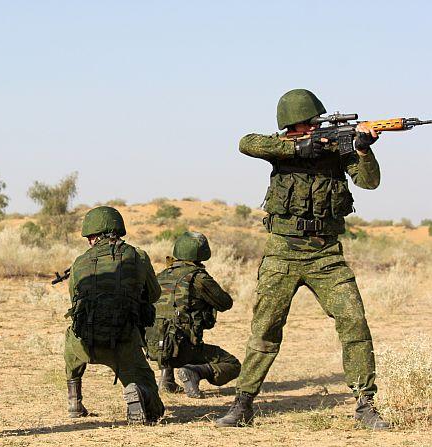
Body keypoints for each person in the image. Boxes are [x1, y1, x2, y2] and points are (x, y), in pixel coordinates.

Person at [215, 89, 389, 430]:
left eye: (318, 123)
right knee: (265, 330)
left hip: (327, 255)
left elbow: (370, 182)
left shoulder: (340, 150)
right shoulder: (280, 148)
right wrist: (297, 148)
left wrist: (363, 148)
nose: (316, 128)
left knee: (354, 323)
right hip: (282, 253)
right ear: (294, 126)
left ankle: (365, 404)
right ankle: (243, 404)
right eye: (310, 123)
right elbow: (246, 142)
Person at [63, 206, 165, 424]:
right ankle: (139, 392)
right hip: (124, 341)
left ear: (91, 236)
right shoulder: (138, 256)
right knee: (154, 405)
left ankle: (74, 401)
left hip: (85, 343)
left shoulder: (79, 262)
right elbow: (154, 294)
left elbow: (74, 299)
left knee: (70, 337)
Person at [145, 231, 241, 398]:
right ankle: (195, 372)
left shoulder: (161, 276)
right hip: (183, 350)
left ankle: (167, 380)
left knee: (167, 324)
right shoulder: (198, 277)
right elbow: (225, 303)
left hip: (154, 348)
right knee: (233, 364)